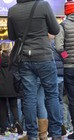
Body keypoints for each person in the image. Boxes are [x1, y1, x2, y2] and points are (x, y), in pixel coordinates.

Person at [7, 0, 62, 140]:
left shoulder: (12, 11)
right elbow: (55, 29)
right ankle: (55, 134)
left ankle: (32, 135)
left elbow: (12, 37)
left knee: (29, 97)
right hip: (44, 56)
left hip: (25, 58)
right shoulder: (43, 5)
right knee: (51, 95)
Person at [55, 0, 74, 138]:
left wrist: (66, 58)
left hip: (69, 68)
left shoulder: (63, 26)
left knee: (72, 100)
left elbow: (58, 47)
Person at [0, 42, 23, 135]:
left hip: (1, 87)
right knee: (14, 107)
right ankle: (16, 122)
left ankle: (3, 129)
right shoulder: (14, 58)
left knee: (2, 108)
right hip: (12, 85)